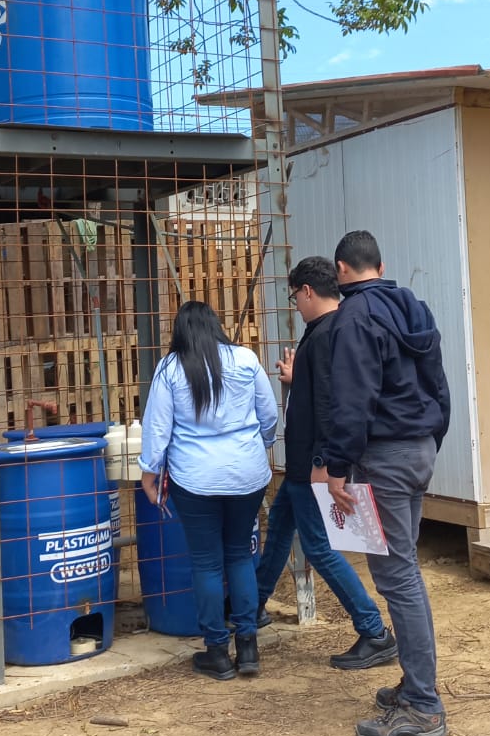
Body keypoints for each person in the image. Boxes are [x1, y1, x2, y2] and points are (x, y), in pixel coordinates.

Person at [322, 230, 451, 736]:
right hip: (418, 448)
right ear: (380, 264)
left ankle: (423, 705)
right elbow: (438, 383)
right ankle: (416, 686)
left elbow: (352, 400)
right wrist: (431, 438)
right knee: (405, 572)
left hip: (385, 455)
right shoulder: (414, 306)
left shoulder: (354, 317)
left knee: (398, 578)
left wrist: (336, 466)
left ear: (341, 269)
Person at [254, 256, 398, 670]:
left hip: (313, 464)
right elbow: (323, 392)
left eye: (294, 297)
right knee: (280, 528)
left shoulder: (327, 333)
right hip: (304, 462)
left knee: (319, 546)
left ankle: (373, 630)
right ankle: (250, 607)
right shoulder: (329, 330)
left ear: (307, 291)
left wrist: (322, 459)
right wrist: (296, 381)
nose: (296, 306)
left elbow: (335, 405)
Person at [139, 300, 278, 681]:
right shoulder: (246, 360)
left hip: (195, 479)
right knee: (239, 555)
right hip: (247, 475)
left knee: (206, 563)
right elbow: (269, 415)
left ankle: (217, 651)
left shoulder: (170, 368)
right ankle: (248, 646)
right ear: (216, 326)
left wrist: (150, 471)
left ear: (180, 332)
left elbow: (157, 427)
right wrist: (258, 445)